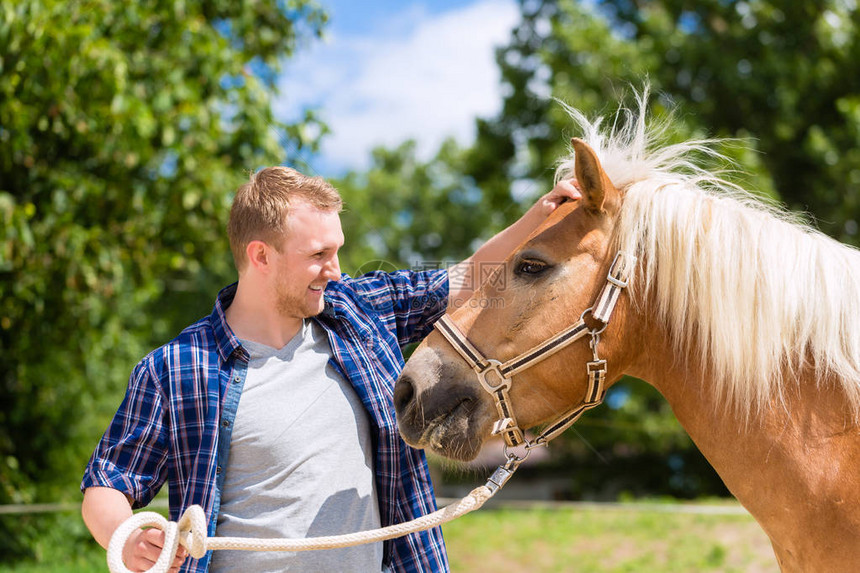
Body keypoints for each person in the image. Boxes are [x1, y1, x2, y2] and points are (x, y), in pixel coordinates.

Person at [80, 166, 580, 573]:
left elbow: (469, 278)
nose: (336, 270)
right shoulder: (176, 369)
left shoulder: (361, 311)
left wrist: (540, 216)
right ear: (261, 257)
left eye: (336, 249)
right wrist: (123, 538)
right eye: (319, 254)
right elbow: (107, 483)